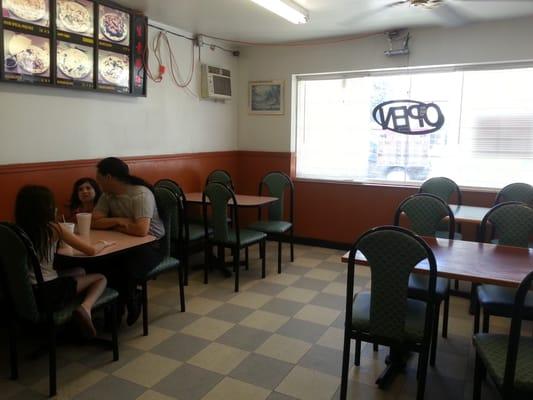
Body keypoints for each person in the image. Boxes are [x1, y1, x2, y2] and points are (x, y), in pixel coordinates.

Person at [15, 185, 114, 337]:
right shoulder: (54, 229)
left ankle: (71, 319)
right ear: (46, 208)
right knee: (101, 278)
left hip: (23, 293)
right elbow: (91, 251)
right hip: (47, 293)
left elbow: (62, 251)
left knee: (80, 271)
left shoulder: (15, 231)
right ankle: (85, 309)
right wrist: (104, 244)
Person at [92, 157, 165, 325]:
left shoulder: (140, 194)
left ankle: (129, 300)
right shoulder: (107, 195)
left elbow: (141, 230)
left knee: (124, 268)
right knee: (102, 264)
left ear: (108, 177)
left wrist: (110, 225)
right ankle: (117, 306)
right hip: (123, 243)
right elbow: (95, 221)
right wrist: (118, 221)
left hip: (152, 246)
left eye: (99, 179)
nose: (98, 183)